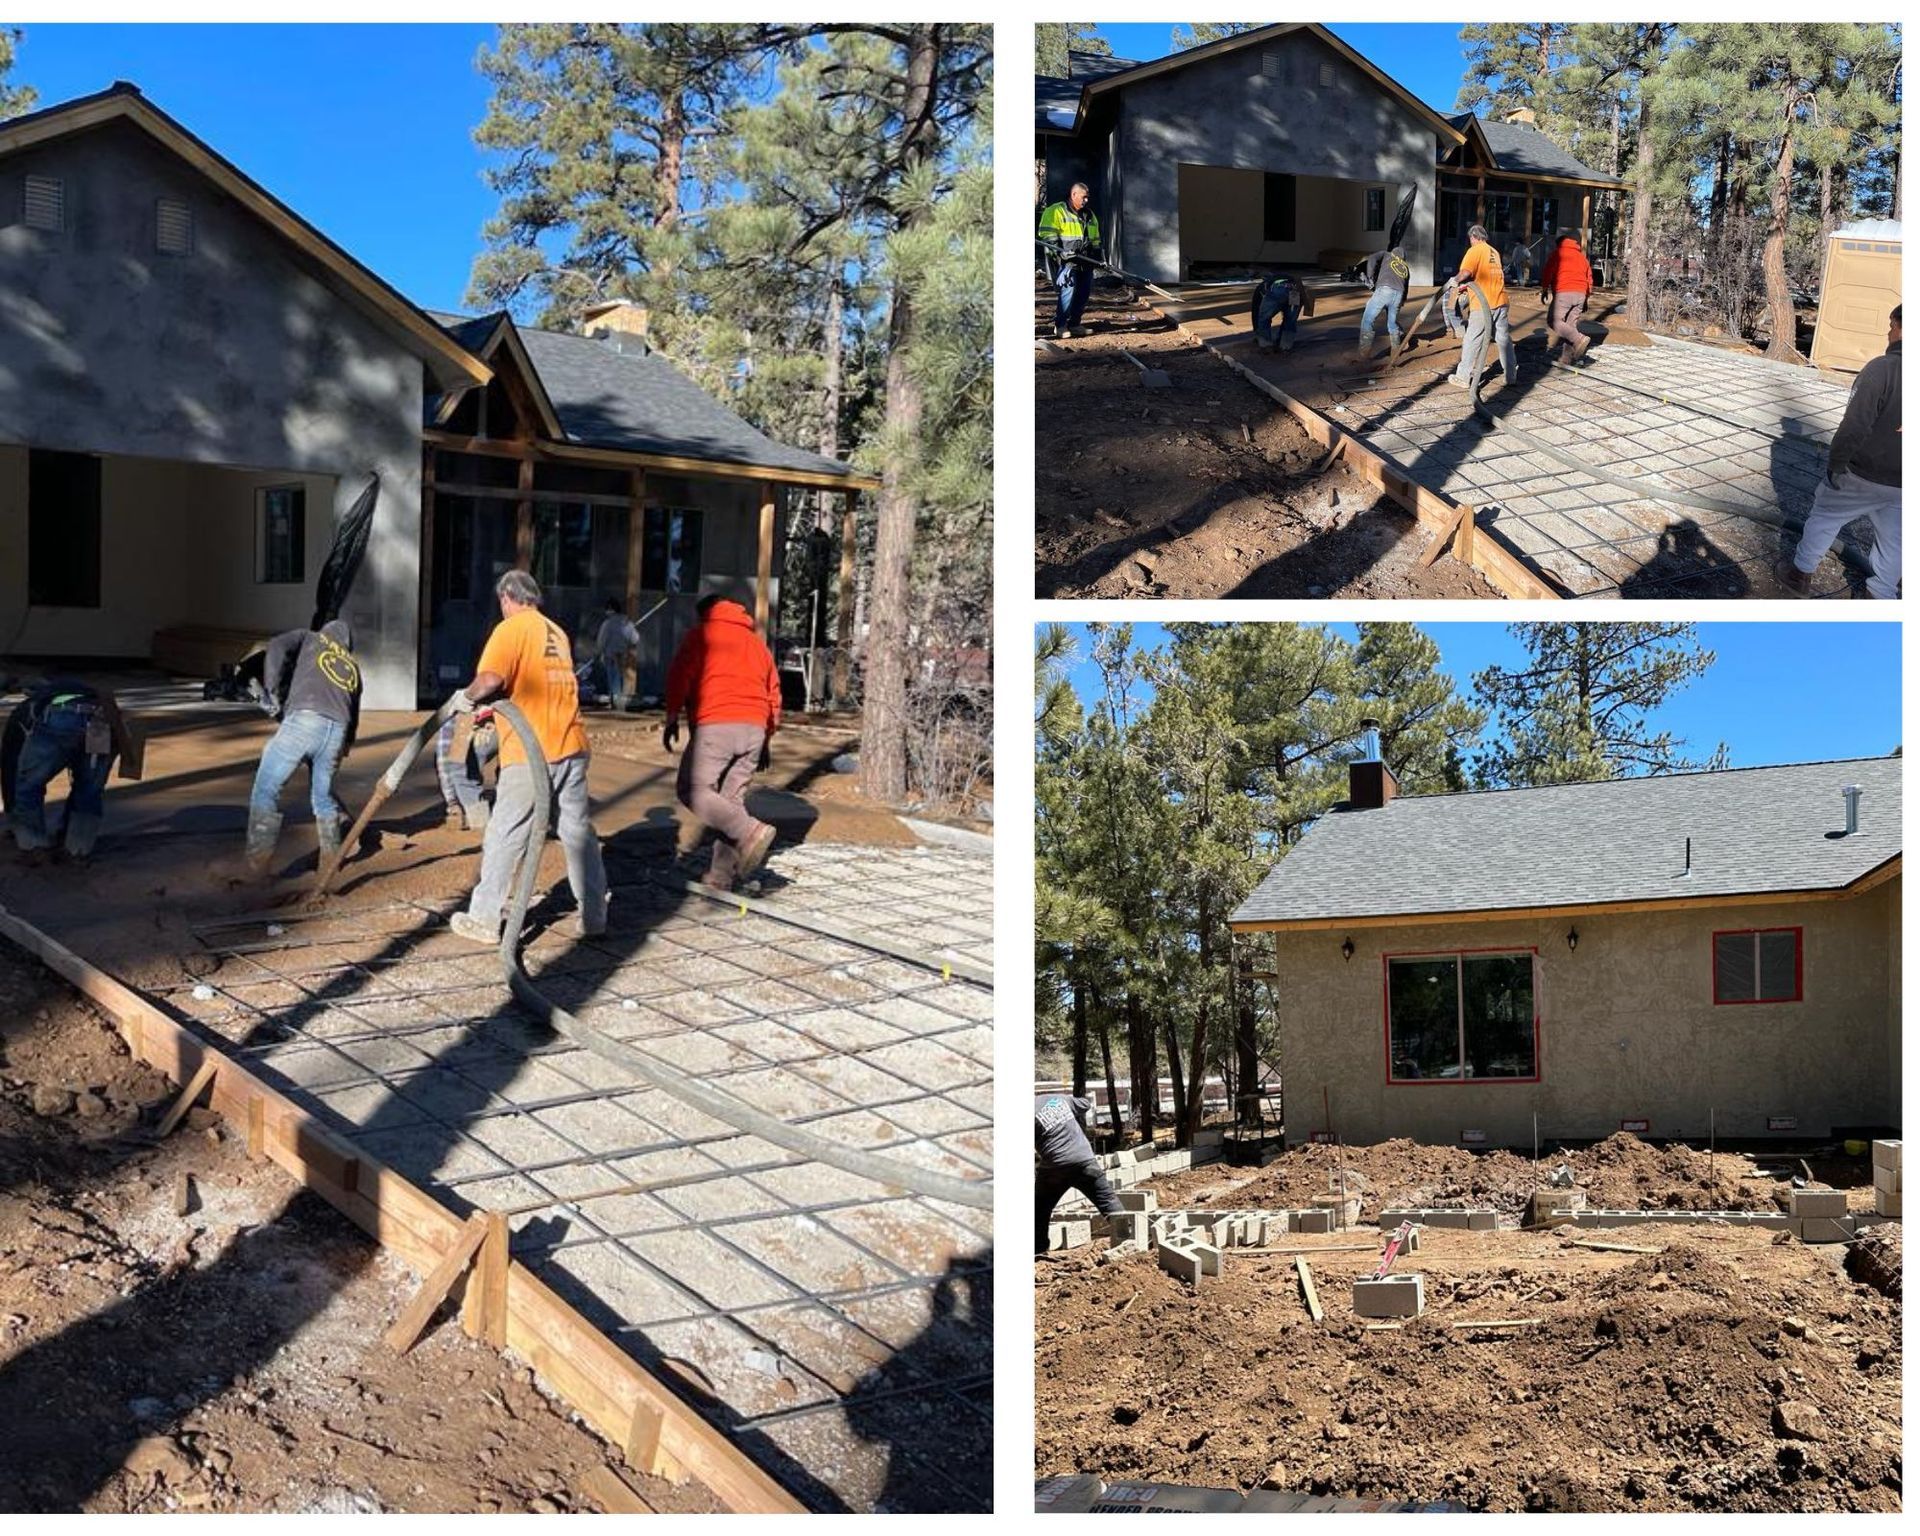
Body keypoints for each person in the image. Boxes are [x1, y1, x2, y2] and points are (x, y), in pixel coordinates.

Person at [448, 570, 609, 944]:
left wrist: (466, 697)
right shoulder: (556, 631)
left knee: (506, 831)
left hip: (531, 749)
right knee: (577, 832)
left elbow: (489, 679)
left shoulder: (511, 629)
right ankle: (594, 916)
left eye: (500, 603)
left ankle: (485, 919)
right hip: (570, 744)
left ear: (507, 597)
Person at [1775, 305, 1902, 600]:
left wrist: (1836, 464)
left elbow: (1855, 424)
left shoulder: (1883, 369)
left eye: (1892, 325)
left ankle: (1800, 574)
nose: (1888, 332)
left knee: (1824, 517)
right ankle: (1881, 595)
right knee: (1896, 541)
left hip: (1861, 473)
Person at [664, 593, 781, 892]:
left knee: (693, 790)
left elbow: (680, 676)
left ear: (704, 614)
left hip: (718, 723)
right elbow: (773, 693)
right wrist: (767, 736)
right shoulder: (757, 645)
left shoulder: (702, 634)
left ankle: (750, 831)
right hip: (754, 728)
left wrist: (672, 717)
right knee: (730, 805)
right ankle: (720, 878)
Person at [245, 620, 361, 875]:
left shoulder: (310, 637)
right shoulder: (352, 667)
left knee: (267, 789)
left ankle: (257, 870)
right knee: (323, 797)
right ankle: (330, 864)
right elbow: (354, 718)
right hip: (337, 733)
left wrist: (272, 690)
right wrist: (340, 750)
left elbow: (276, 645)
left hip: (305, 719)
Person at [6, 678, 134, 862]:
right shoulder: (94, 690)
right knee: (89, 790)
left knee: (28, 785)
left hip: (61, 716)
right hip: (101, 720)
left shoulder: (35, 701)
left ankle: (34, 846)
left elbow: (13, 767)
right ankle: (78, 848)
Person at [1035, 1089, 1123, 1254]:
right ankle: (1127, 1238)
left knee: (1039, 1210)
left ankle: (1038, 1250)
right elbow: (1085, 1104)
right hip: (1084, 1162)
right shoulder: (1059, 1099)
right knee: (1109, 1201)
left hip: (1054, 1169)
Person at [1037, 183, 1101, 339]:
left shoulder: (1089, 215)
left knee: (1083, 294)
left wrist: (1097, 256)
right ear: (1073, 195)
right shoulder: (1056, 211)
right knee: (1068, 293)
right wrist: (1059, 252)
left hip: (1085, 261)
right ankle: (1060, 326)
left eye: (1087, 197)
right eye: (1083, 196)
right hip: (1067, 261)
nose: (1086, 200)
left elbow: (1096, 239)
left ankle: (1075, 324)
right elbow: (1047, 235)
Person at [435, 705, 498, 832]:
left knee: (461, 768)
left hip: (489, 719)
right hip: (529, 717)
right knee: (515, 765)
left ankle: (481, 822)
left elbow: (445, 759)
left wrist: (452, 801)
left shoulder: (459, 707)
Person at [1540, 228, 1593, 367]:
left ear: (1559, 244)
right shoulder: (1582, 258)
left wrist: (1544, 289)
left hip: (1564, 292)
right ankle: (1566, 359)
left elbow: (1548, 272)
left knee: (1554, 321)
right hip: (1581, 294)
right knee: (1569, 327)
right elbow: (1589, 279)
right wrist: (1586, 297)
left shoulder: (1558, 254)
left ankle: (1579, 339)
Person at [1357, 245, 1411, 357]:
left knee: (1368, 320)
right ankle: (1395, 350)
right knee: (1392, 323)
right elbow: (1406, 287)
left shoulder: (1386, 254)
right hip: (1398, 294)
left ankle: (1364, 354)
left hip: (1384, 290)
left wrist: (1370, 277)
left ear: (1393, 253)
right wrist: (1400, 303)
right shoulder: (1405, 267)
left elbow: (1371, 258)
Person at [594, 598, 639, 711]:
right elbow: (635, 639)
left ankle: (615, 702)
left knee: (613, 679)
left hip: (610, 655)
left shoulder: (608, 624)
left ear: (610, 610)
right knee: (620, 678)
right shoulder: (627, 623)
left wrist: (598, 652)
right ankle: (620, 702)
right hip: (623, 655)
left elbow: (602, 640)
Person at [1251, 271, 1304, 353]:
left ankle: (1266, 344)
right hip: (1295, 290)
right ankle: (1285, 345)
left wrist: (1257, 332)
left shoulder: (1261, 287)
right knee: (1290, 320)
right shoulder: (1286, 276)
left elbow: (1256, 312)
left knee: (1264, 317)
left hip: (1278, 289)